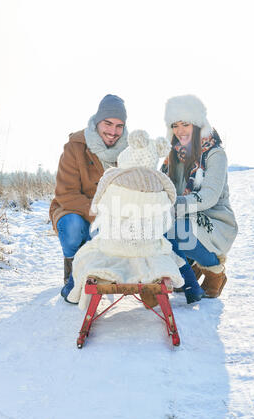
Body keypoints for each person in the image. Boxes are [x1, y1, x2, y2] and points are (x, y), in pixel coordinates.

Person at [66, 130, 185, 310]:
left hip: (113, 247)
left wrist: (96, 208)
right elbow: (172, 198)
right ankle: (190, 288)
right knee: (164, 243)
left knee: (92, 247)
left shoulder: (114, 176)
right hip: (147, 248)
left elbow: (97, 202)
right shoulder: (160, 180)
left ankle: (70, 290)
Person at [49, 94, 128, 300]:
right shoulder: (75, 146)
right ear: (97, 121)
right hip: (73, 209)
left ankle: (98, 272)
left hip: (112, 214)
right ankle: (72, 269)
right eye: (108, 123)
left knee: (107, 235)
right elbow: (66, 194)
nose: (113, 132)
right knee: (75, 228)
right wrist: (100, 214)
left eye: (119, 126)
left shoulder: (129, 152)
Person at [162, 94, 238, 300]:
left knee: (177, 230)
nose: (180, 131)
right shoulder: (173, 155)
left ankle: (215, 270)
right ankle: (190, 267)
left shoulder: (214, 154)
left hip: (214, 220)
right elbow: (161, 184)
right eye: (175, 125)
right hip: (183, 216)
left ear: (197, 125)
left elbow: (210, 196)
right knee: (158, 227)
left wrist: (176, 204)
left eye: (185, 124)